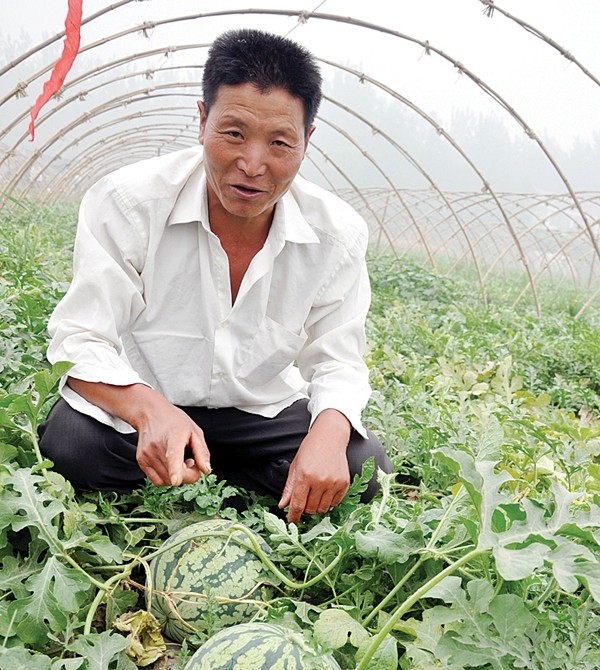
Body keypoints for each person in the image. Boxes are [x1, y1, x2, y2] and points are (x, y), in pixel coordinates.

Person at [40, 28, 392, 523]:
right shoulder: (129, 202)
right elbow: (80, 337)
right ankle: (225, 473)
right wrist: (149, 411)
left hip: (258, 413)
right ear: (202, 120)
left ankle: (199, 470)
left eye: (279, 143)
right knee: (71, 446)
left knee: (363, 467)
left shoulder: (337, 234)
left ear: (307, 141)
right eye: (234, 134)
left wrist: (330, 435)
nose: (253, 164)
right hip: (148, 399)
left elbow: (338, 359)